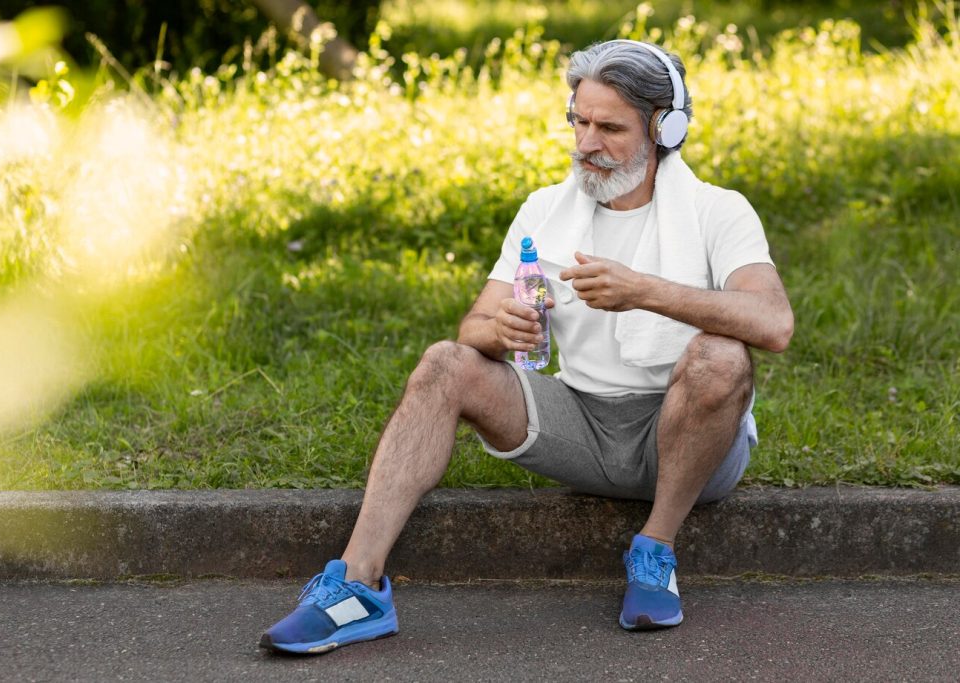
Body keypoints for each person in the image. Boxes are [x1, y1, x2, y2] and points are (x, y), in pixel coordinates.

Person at [259, 39, 794, 654]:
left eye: (610, 127)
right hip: (583, 422)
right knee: (444, 363)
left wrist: (646, 291)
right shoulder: (545, 208)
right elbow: (474, 329)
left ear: (664, 129)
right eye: (579, 120)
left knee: (721, 358)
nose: (587, 142)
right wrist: (502, 329)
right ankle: (357, 587)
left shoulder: (716, 211)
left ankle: (656, 550)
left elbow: (773, 322)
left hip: (691, 441)